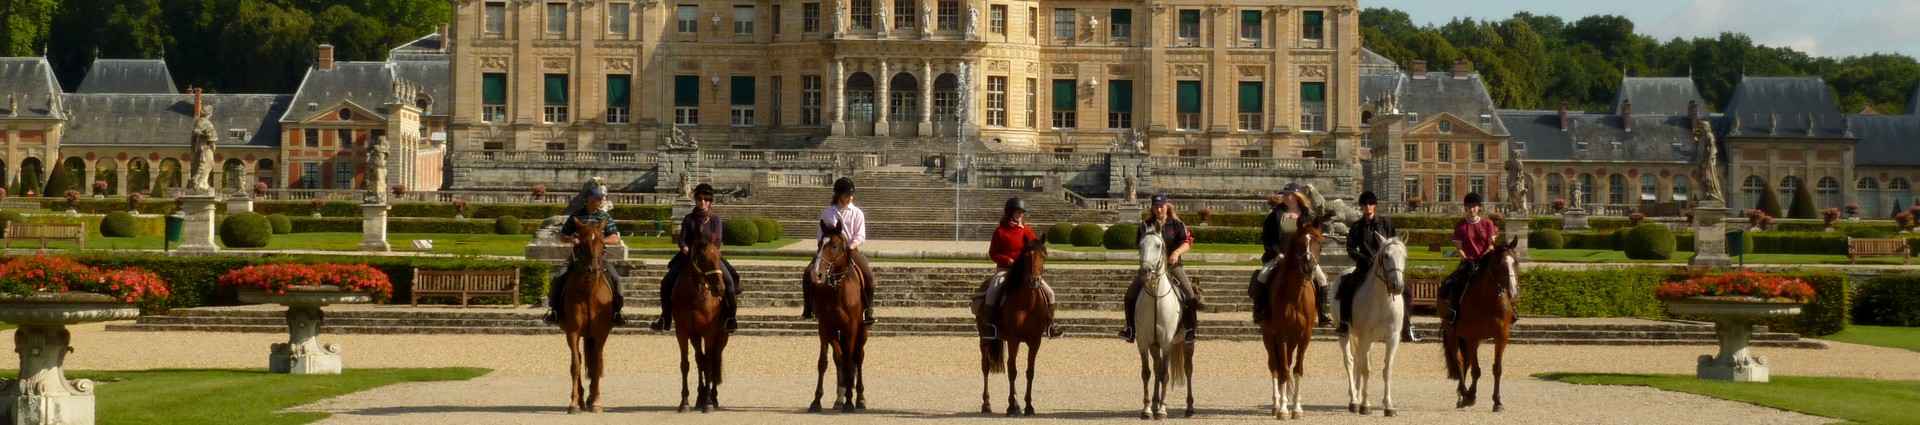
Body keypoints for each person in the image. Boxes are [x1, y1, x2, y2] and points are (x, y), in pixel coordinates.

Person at [649, 184, 743, 332]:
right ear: (696, 200)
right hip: (689, 257)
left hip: (710, 258)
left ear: (710, 201)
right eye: (700, 199)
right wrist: (685, 247)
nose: (703, 202)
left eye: (706, 199)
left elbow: (717, 241)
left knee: (730, 282)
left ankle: (730, 318)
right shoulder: (689, 219)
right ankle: (665, 317)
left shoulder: (715, 220)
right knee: (666, 282)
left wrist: (709, 252)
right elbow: (682, 239)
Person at [1119, 194, 1204, 343]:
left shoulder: (1177, 224)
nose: (1159, 209)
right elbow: (1141, 245)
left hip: (1173, 266)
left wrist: (1176, 253)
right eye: (1156, 207)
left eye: (1161, 206)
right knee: (1130, 295)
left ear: (1167, 206)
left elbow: (1187, 241)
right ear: (1152, 208)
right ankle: (1131, 329)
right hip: (1150, 268)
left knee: (1190, 294)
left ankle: (1190, 330)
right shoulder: (1145, 225)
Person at [1336, 191, 1419, 342]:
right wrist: (1364, 259)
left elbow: (1394, 244)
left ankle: (1407, 327)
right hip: (1365, 266)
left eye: (1370, 204)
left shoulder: (1386, 224)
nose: (1368, 207)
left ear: (1374, 206)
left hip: (1385, 267)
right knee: (1346, 285)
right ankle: (1344, 323)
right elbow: (1351, 249)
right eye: (1365, 204)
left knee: (1406, 291)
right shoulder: (1356, 227)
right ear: (1361, 206)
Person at [546, 181, 627, 326]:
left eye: (601, 198)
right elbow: (562, 235)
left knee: (617, 279)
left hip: (599, 258)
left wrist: (599, 241)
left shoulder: (605, 217)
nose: (600, 200)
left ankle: (617, 312)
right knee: (558, 277)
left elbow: (615, 237)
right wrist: (571, 239)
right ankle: (554, 311)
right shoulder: (576, 216)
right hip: (578, 258)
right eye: (597, 198)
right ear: (588, 198)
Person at [978, 197, 1058, 340]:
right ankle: (990, 324)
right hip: (1006, 270)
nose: (1020, 215)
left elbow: (1035, 247)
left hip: (1026, 272)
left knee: (1050, 293)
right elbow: (993, 253)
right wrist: (1006, 259)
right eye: (1017, 212)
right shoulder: (1000, 231)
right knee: (993, 289)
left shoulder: (1027, 230)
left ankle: (1050, 325)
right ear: (1010, 213)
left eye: (1021, 212)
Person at [803, 177, 877, 325]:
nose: (850, 197)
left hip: (851, 250)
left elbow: (861, 235)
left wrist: (850, 246)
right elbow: (820, 233)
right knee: (808, 272)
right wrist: (823, 247)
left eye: (851, 194)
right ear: (838, 195)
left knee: (869, 276)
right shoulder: (828, 213)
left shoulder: (857, 213)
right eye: (846, 194)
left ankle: (868, 310)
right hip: (829, 250)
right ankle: (808, 307)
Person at [1439, 192, 1500, 325]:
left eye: (1474, 206)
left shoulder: (1487, 224)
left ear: (1479, 208)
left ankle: (1509, 311)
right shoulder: (1461, 226)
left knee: (1502, 281)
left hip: (1486, 262)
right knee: (1453, 284)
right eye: (1468, 207)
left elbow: (1491, 246)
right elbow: (1459, 248)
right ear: (1465, 208)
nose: (1471, 209)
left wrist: (1483, 258)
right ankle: (1453, 312)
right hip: (1468, 263)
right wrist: (1467, 259)